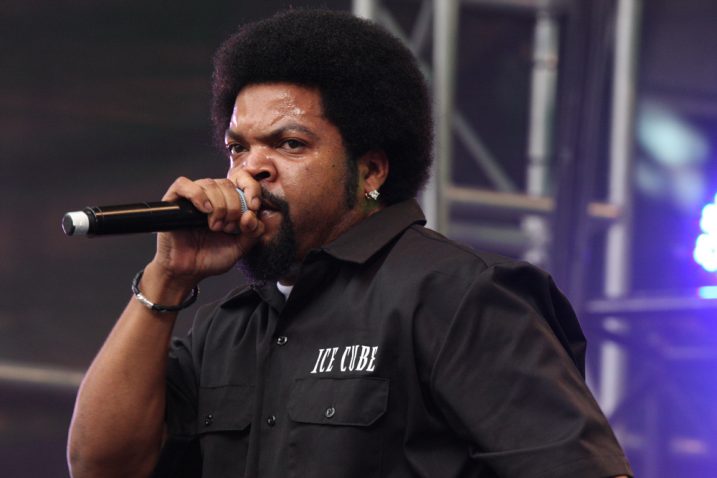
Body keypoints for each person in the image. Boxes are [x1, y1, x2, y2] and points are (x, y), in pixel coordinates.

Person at [67, 8, 633, 478]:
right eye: (239, 147)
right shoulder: (226, 327)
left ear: (371, 171)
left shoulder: (456, 295)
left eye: (289, 144)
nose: (251, 169)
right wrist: (168, 277)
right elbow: (100, 467)